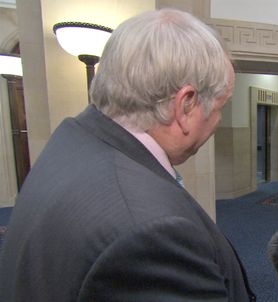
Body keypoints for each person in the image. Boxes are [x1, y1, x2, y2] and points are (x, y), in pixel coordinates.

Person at [0, 9, 256, 302]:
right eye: (221, 106)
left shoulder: (73, 140)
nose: (219, 120)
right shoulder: (151, 234)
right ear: (186, 106)